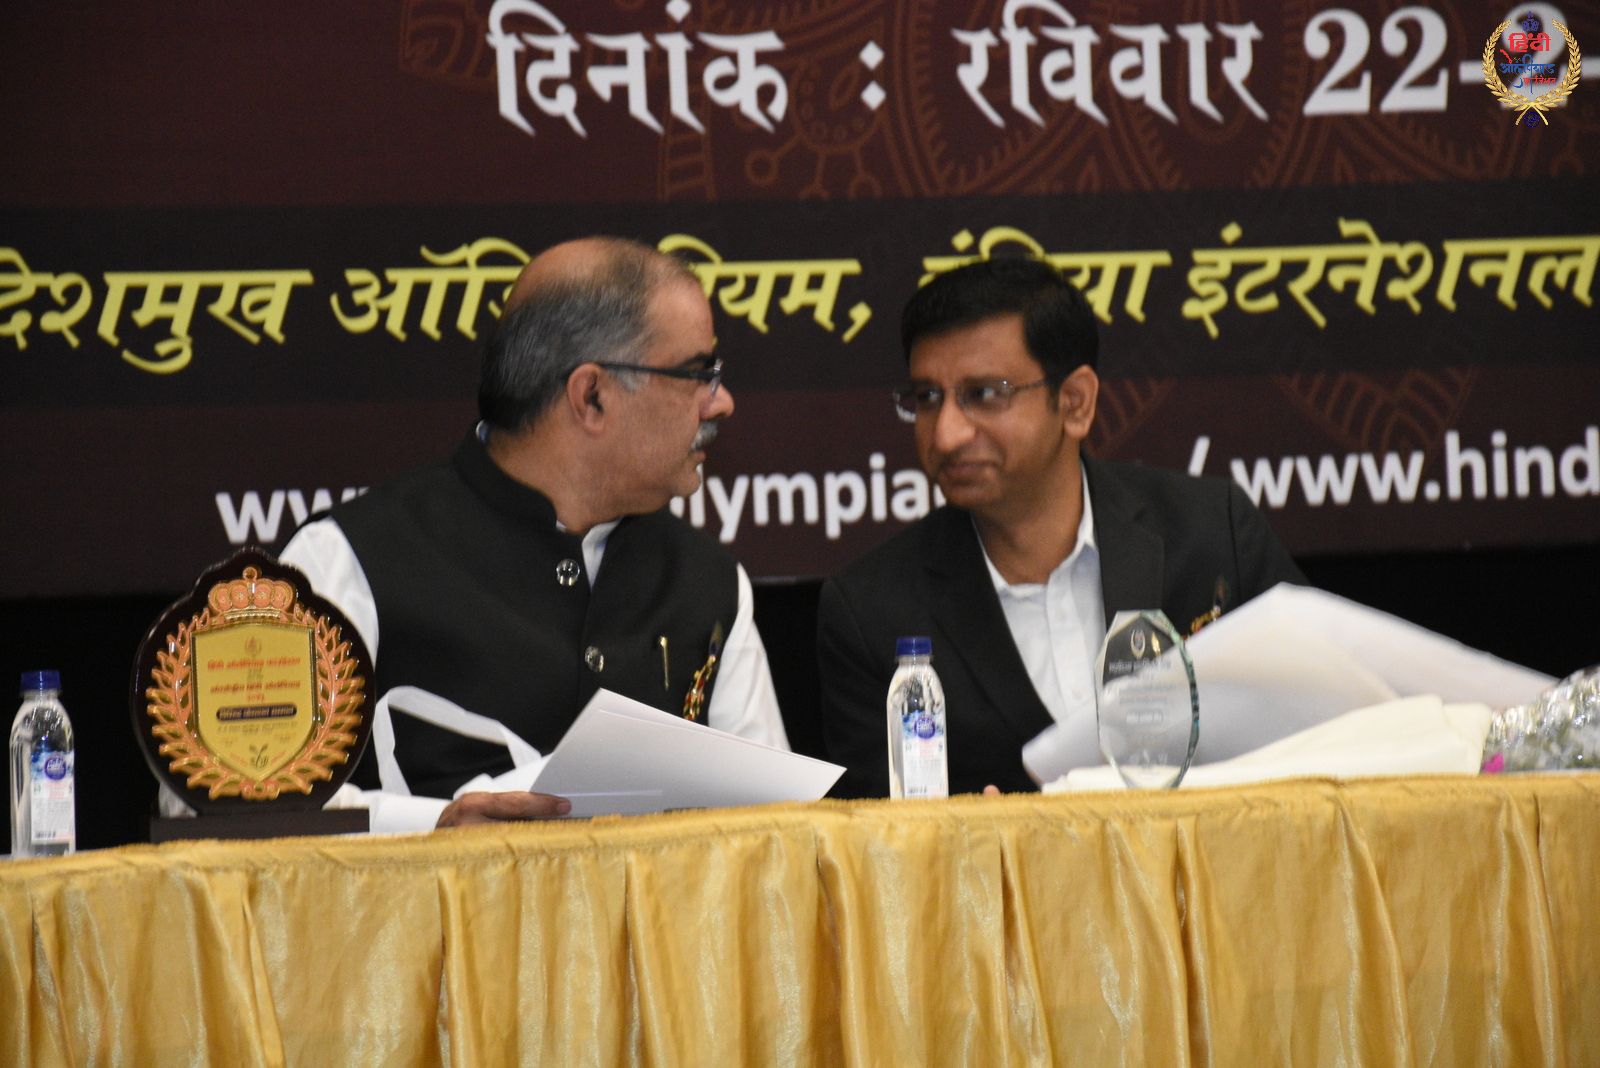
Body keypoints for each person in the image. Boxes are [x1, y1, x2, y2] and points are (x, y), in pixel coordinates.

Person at [280, 236, 788, 830]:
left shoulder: (709, 583)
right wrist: (429, 828)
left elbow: (773, 830)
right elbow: (244, 810)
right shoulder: (348, 562)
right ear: (592, 396)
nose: (721, 403)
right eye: (698, 374)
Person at [816, 257, 1304, 797]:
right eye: (928, 398)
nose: (947, 434)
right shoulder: (871, 612)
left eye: (985, 394)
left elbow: (1328, 728)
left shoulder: (1213, 536)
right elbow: (869, 832)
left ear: (1075, 402)